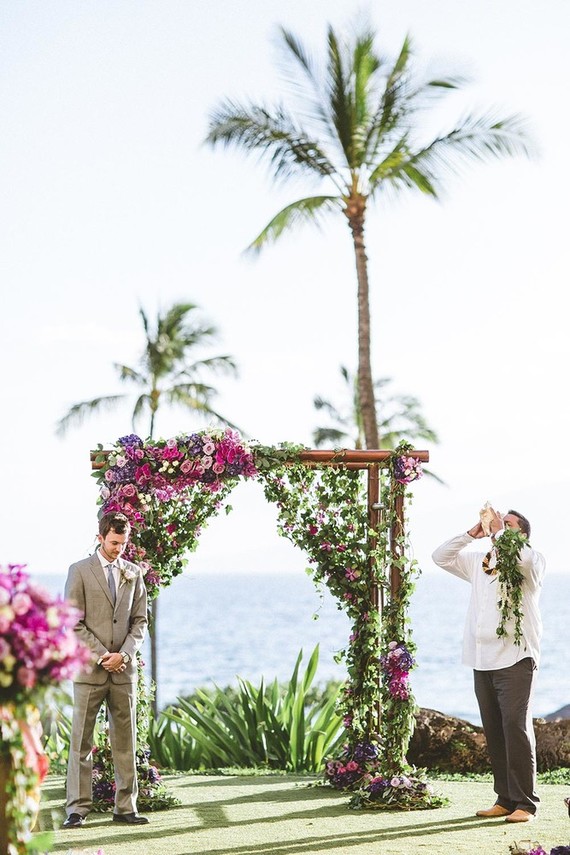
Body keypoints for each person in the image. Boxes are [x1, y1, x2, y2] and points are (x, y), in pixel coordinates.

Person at [432, 507, 545, 824]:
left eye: (509, 525)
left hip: (516, 658)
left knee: (515, 726)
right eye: (499, 523)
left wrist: (499, 532)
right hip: (481, 660)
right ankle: (505, 799)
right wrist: (472, 534)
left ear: (521, 535)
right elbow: (440, 557)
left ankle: (526, 803)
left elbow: (521, 559)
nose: (499, 526)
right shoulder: (478, 564)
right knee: (494, 729)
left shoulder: (531, 561)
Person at [63, 511, 149, 828]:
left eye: (123, 544)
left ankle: (126, 808)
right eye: (114, 542)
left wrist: (124, 654)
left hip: (124, 673)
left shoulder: (134, 573)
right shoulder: (79, 571)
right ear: (100, 537)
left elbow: (140, 622)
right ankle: (77, 810)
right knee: (81, 742)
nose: (118, 549)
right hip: (89, 671)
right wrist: (103, 655)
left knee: (125, 741)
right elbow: (73, 622)